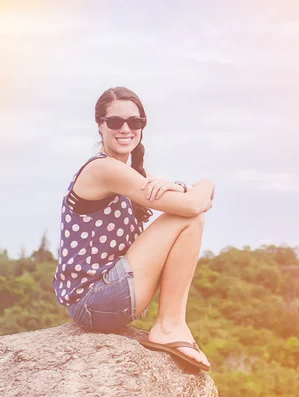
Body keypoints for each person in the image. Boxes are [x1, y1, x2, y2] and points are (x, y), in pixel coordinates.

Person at [53, 86, 214, 371]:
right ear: (100, 126)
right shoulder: (102, 170)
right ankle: (169, 325)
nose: (125, 129)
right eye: (115, 122)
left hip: (111, 297)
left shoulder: (134, 175)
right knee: (187, 219)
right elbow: (191, 206)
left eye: (135, 122)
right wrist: (196, 187)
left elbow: (197, 200)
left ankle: (171, 324)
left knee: (190, 218)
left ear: (142, 126)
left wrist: (183, 188)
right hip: (94, 301)